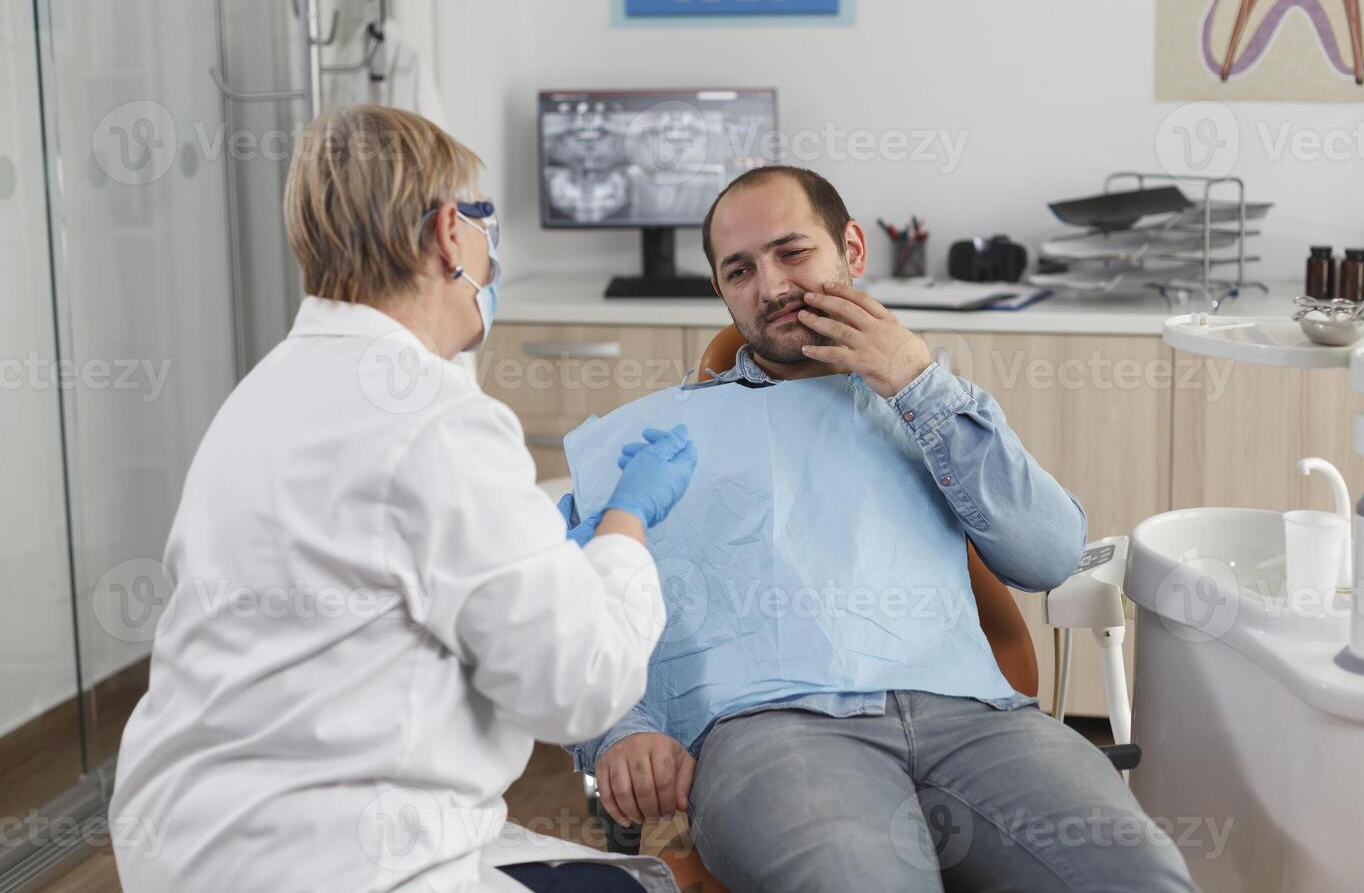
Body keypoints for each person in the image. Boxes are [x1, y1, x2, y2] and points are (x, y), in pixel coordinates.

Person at [108, 105, 698, 893]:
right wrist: (623, 528)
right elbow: (578, 688)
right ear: (451, 233)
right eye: (486, 225)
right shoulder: (437, 419)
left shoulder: (261, 393)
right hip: (331, 865)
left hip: (182, 845)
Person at [571, 166, 1199, 892]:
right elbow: (579, 616)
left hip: (976, 720)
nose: (771, 286)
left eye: (793, 253)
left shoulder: (929, 404)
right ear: (720, 289)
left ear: (854, 250)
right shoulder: (659, 434)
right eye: (739, 269)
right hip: (775, 734)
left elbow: (1050, 553)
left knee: (1141, 876)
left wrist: (917, 384)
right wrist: (623, 730)